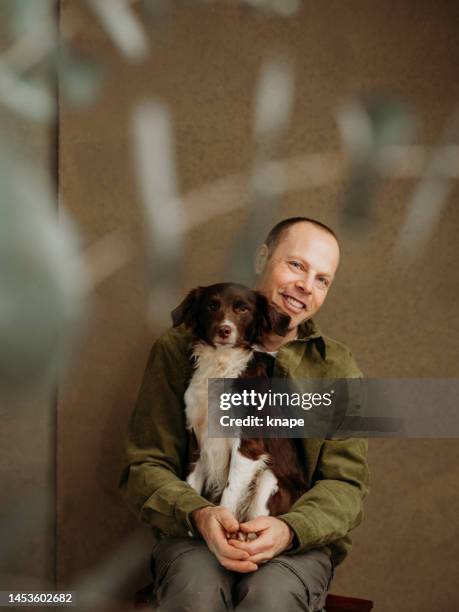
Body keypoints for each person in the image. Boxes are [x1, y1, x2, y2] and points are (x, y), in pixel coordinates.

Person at [120, 217, 369, 611]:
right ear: (262, 258)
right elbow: (145, 463)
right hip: (193, 533)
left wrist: (289, 529)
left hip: (293, 540)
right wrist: (198, 515)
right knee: (195, 593)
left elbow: (346, 484)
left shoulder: (335, 366)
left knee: (270, 598)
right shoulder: (178, 347)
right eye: (297, 265)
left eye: (323, 279)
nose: (307, 285)